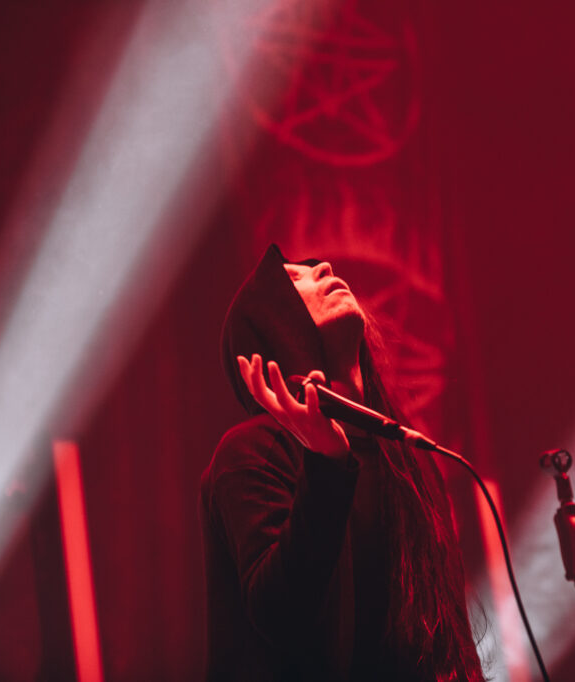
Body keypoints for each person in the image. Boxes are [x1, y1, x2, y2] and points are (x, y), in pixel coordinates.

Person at [199, 245, 485, 681]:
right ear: (272, 326)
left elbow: (447, 636)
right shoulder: (251, 452)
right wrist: (326, 463)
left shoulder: (411, 461)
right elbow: (282, 616)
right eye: (294, 279)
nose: (324, 268)